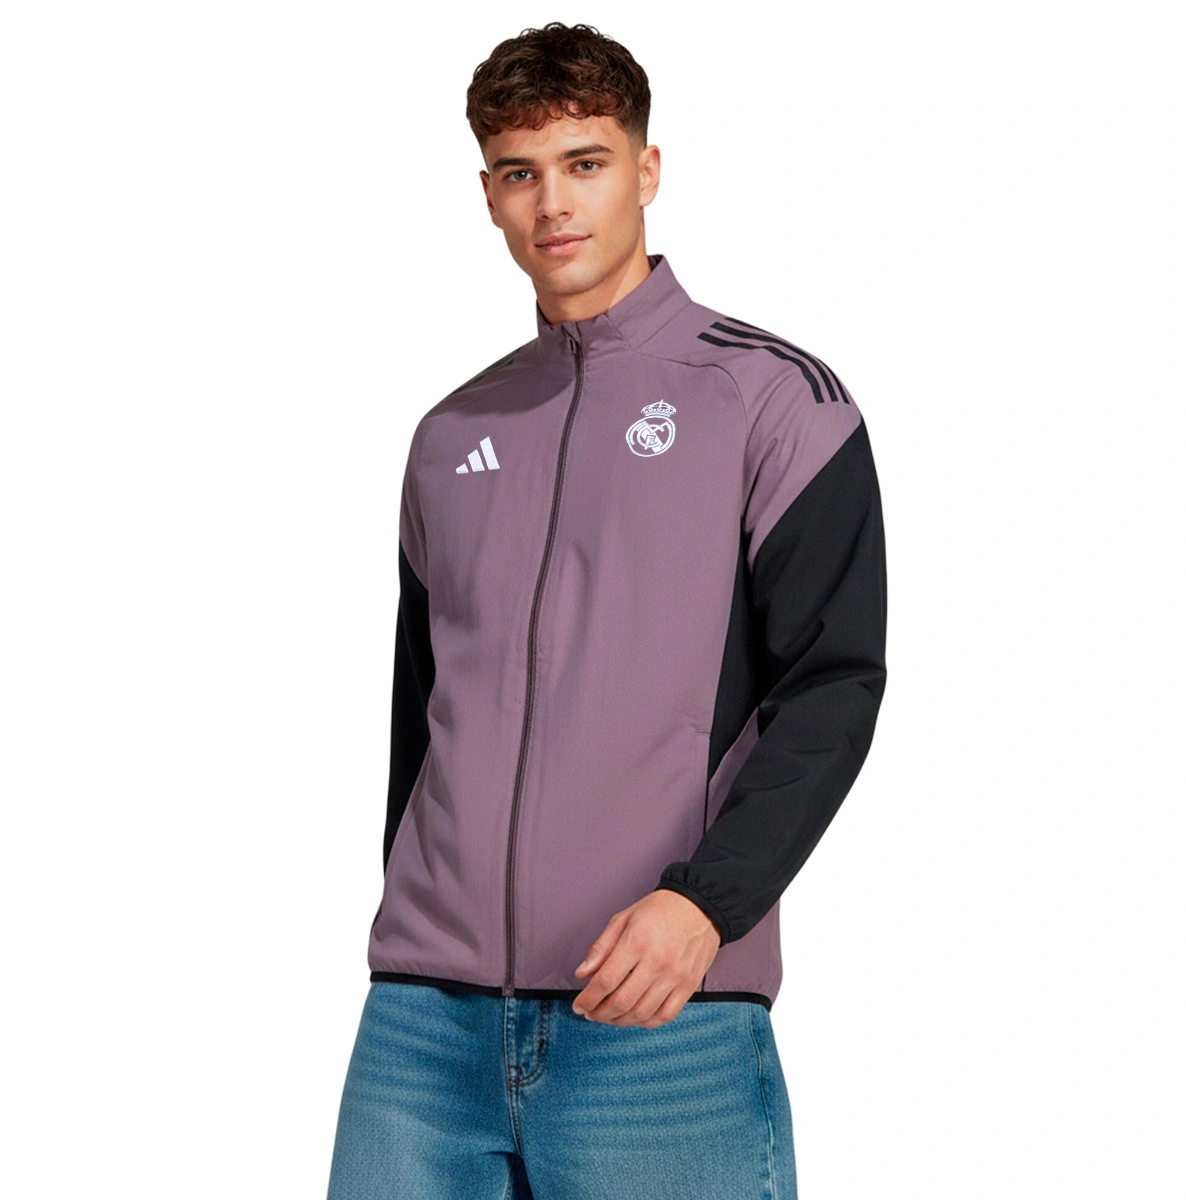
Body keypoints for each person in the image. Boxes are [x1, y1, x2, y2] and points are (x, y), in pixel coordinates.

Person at [326, 20, 887, 1200]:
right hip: (424, 1027)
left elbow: (831, 686)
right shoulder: (452, 435)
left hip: (659, 1015)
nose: (554, 204)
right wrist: (413, 928)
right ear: (487, 195)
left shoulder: (771, 400)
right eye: (519, 172)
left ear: (647, 169)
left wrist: (706, 905)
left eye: (585, 162)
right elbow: (422, 719)